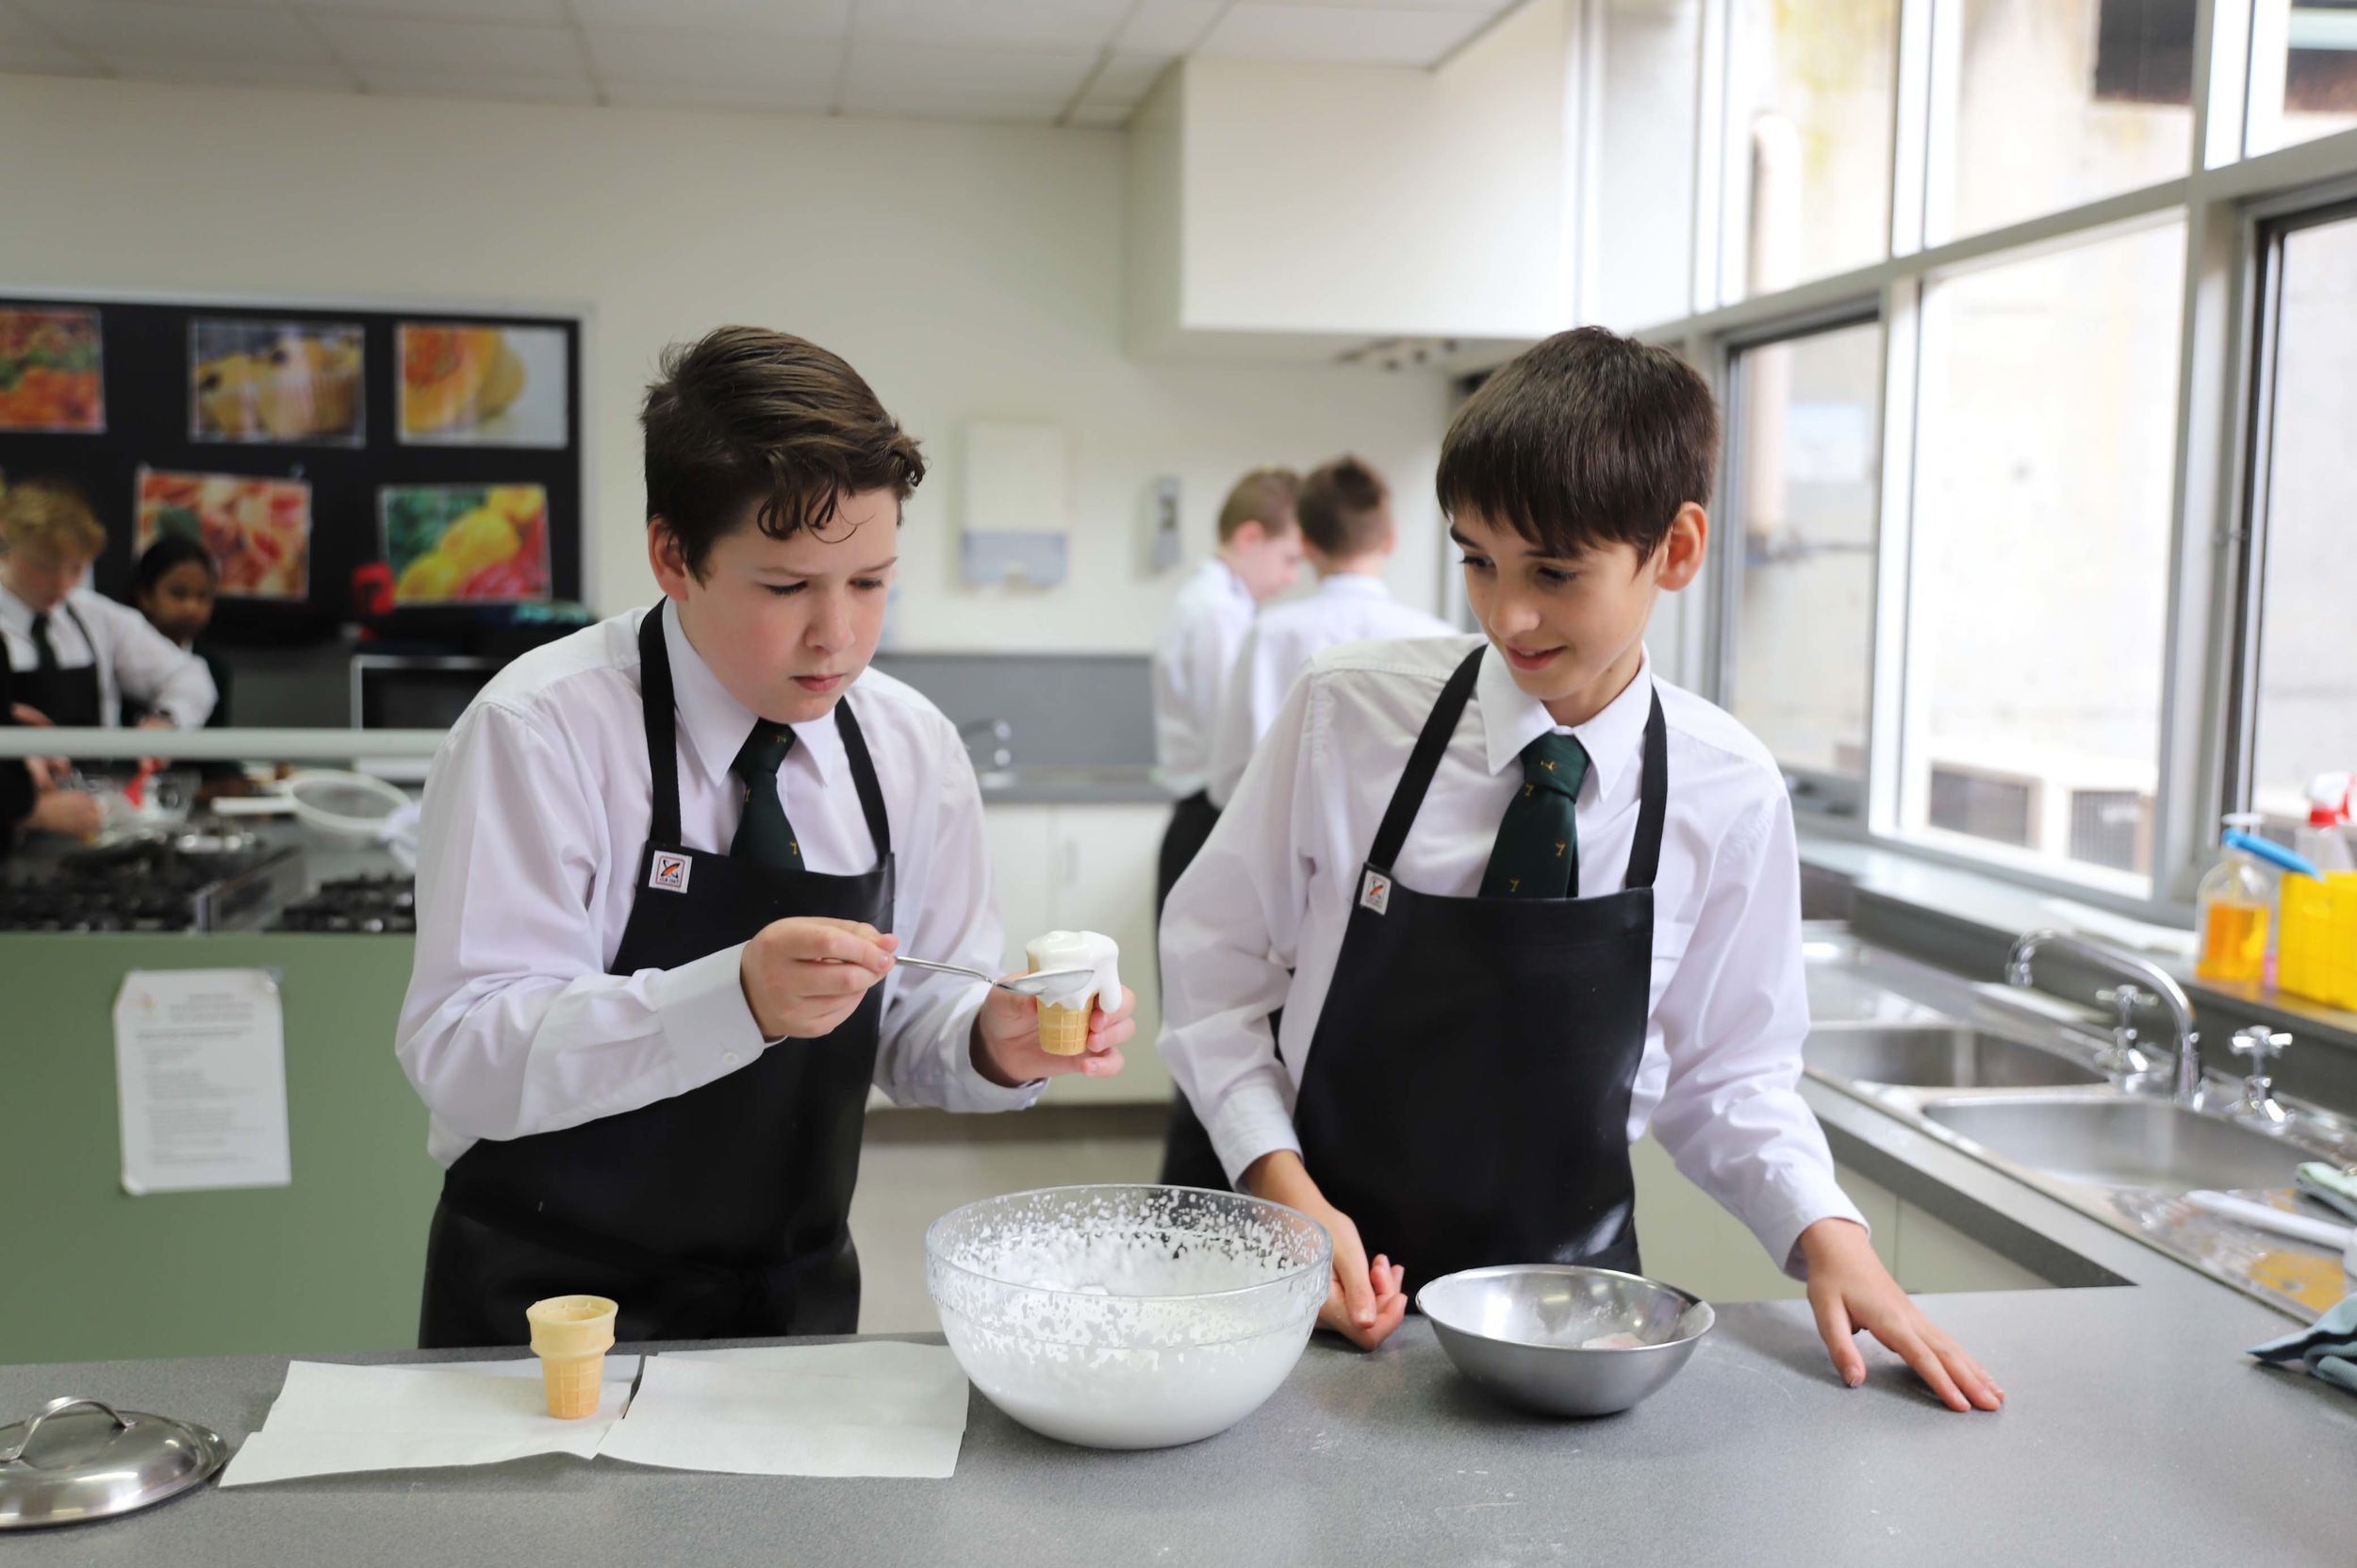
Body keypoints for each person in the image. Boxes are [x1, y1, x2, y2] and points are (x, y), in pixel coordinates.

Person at [1158, 328, 2001, 1412]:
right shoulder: (1349, 715)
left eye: (1553, 572)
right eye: (1477, 560)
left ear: (1676, 549)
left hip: (1573, 1329)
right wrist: (1283, 1192)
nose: (1506, 613)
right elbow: (1216, 976)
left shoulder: (1727, 789)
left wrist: (1829, 1232)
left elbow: (1729, 1074)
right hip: (1315, 1293)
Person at [399, 325, 1135, 1350]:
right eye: (788, 587)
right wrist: (732, 999)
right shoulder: (541, 731)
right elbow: (462, 1050)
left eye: (870, 582)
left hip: (793, 1306)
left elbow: (914, 1022)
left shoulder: (911, 749)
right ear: (674, 556)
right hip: (547, 1307)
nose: (837, 634)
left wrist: (990, 1042)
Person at [1203, 456, 1455, 810]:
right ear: (1390, 540)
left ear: (1305, 544)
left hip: (1285, 839)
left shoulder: (1269, 635)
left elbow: (1229, 780)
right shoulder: (1440, 641)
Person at [1149, 468, 1303, 923]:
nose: (1292, 577)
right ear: (1250, 537)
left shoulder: (1220, 604)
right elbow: (1235, 734)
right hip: (1209, 818)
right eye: (1290, 558)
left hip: (1207, 815)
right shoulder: (1217, 612)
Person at [0, 478, 215, 761]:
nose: (61, 583)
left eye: (75, 568)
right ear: (6, 547)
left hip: (94, 783)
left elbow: (189, 675)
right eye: (44, 567)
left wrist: (165, 721)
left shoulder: (96, 617)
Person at [124, 533, 251, 797]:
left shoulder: (213, 667)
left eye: (203, 596)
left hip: (190, 797)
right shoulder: (119, 655)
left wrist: (232, 782)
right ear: (145, 595)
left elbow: (216, 750)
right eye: (178, 594)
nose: (192, 607)